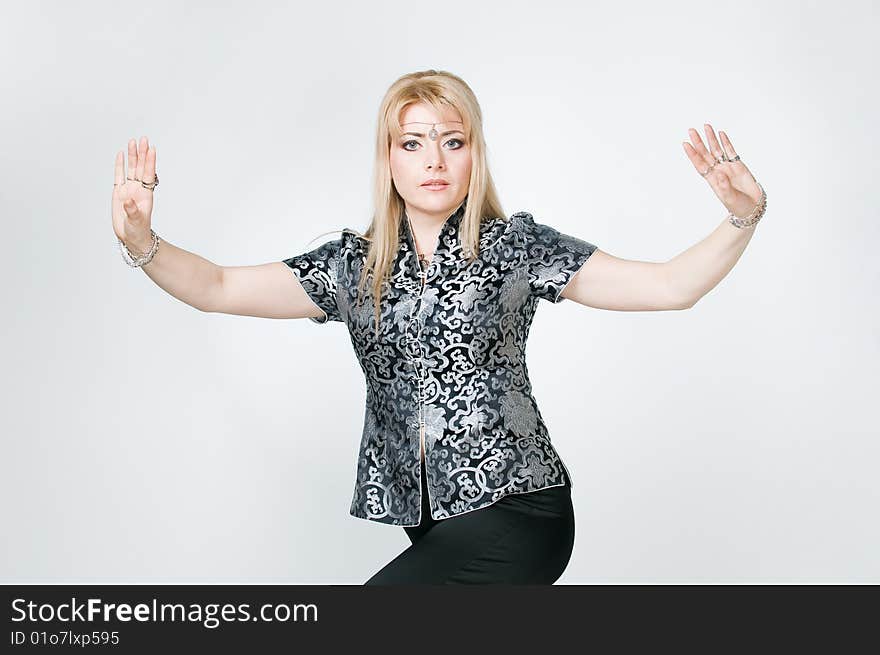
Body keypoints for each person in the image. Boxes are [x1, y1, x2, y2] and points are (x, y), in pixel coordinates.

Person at [111, 70, 766, 585]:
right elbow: (217, 286)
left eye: (452, 141)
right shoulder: (352, 266)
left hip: (518, 511)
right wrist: (143, 239)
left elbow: (669, 285)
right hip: (428, 523)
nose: (434, 160)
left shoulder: (516, 248)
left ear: (473, 153)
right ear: (388, 157)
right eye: (413, 142)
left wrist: (741, 219)